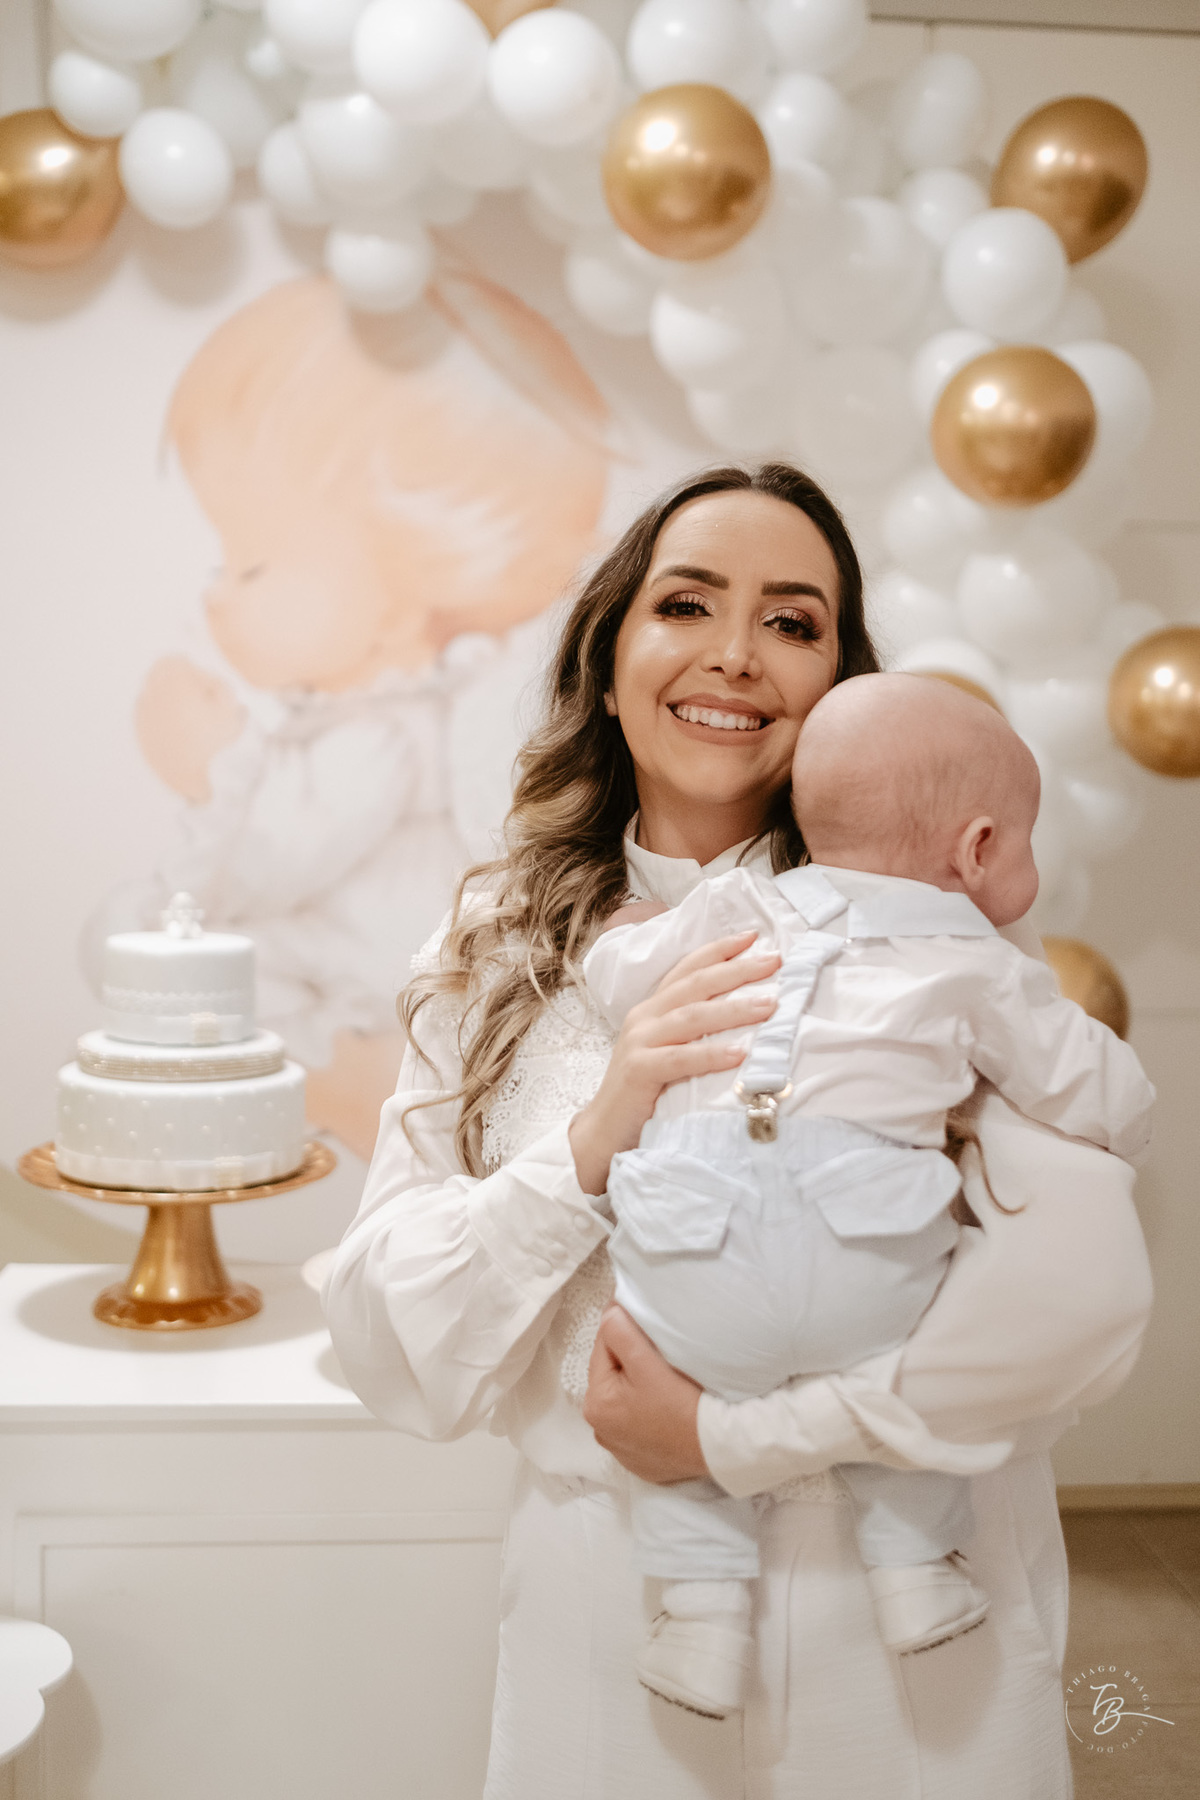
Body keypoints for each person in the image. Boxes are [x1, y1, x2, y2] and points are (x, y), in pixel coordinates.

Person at [324, 463, 1153, 1800]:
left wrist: (735, 1443)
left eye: (793, 621)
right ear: (606, 663)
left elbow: (1073, 1325)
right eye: (687, 603)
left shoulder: (939, 941)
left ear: (844, 688)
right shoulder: (492, 955)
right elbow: (386, 1345)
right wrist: (596, 1137)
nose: (735, 655)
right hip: (612, 1616)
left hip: (920, 1613)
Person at [582, 672, 1154, 1718]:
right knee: (899, 1367)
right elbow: (1091, 1085)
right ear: (979, 849)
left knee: (680, 1390)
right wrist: (1130, 1112)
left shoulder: (736, 899)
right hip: (865, 1236)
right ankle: (915, 1571)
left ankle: (703, 1619)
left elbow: (625, 981)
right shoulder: (971, 957)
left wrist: (626, 937)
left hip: (693, 1236)